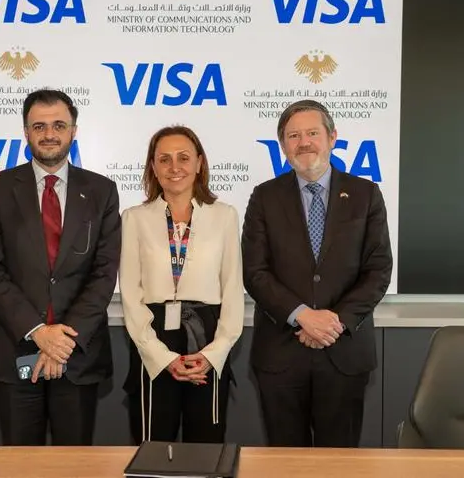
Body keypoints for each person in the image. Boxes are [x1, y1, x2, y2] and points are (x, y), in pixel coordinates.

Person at [242, 99, 392, 447]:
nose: (304, 143)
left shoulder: (365, 194)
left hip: (344, 352)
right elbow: (255, 271)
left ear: (332, 137)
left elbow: (378, 269)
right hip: (281, 354)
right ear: (283, 146)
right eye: (293, 136)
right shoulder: (264, 197)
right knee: (285, 463)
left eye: (312, 133)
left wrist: (334, 321)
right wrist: (302, 316)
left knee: (339, 462)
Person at [0, 89, 121, 446]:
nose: (49, 134)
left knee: (75, 466)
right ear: (26, 132)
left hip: (78, 355)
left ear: (74, 131)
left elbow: (104, 273)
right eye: (39, 126)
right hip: (14, 352)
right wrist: (38, 331)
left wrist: (61, 341)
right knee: (19, 466)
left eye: (59, 125)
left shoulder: (101, 191)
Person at [120, 125, 244, 444]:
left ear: (199, 163)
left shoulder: (225, 216)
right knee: (153, 449)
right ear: (153, 167)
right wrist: (162, 357)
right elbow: (131, 297)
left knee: (206, 451)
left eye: (184, 158)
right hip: (153, 341)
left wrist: (213, 354)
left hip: (206, 340)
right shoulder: (134, 218)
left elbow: (233, 291)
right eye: (164, 159)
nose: (174, 167)